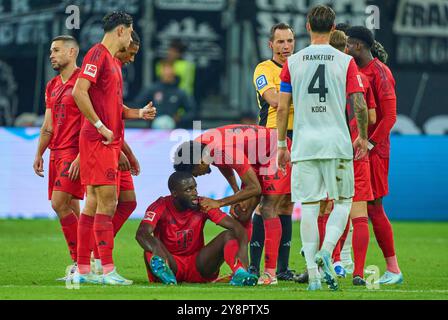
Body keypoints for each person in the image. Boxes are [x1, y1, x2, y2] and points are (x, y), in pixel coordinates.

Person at [277, 5, 368, 291]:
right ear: (333, 29)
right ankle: (327, 252)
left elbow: (281, 108)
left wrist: (282, 144)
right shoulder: (345, 61)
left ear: (307, 27)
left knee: (309, 207)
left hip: (304, 145)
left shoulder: (293, 62)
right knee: (342, 202)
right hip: (337, 143)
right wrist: (363, 137)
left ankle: (313, 278)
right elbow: (359, 103)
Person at [72, 11, 153, 286]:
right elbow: (78, 92)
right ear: (121, 30)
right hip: (99, 140)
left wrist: (138, 114)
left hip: (107, 140)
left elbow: (113, 108)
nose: (131, 38)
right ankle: (106, 270)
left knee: (95, 203)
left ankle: (83, 269)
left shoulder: (113, 63)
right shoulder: (96, 54)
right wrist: (99, 126)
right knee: (107, 202)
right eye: (130, 32)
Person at [173, 124, 292, 285]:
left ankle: (270, 274)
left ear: (200, 161)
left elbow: (255, 188)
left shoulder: (222, 150)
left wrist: (219, 202)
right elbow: (224, 165)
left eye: (196, 173)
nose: (198, 176)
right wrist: (237, 193)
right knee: (241, 213)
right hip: (257, 156)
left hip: (274, 151)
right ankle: (242, 271)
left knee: (268, 208)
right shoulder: (201, 146)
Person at [346, 26, 403, 285]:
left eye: (348, 45)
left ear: (358, 46)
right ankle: (340, 263)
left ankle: (393, 269)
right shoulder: (354, 70)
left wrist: (369, 144)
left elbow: (390, 116)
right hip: (355, 148)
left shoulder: (380, 73)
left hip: (374, 152)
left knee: (373, 207)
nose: (345, 49)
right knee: (351, 205)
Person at [135, 172, 258, 286]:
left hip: (199, 267)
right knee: (150, 247)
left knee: (228, 235)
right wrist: (157, 250)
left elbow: (237, 228)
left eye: (194, 187)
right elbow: (142, 233)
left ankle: (240, 273)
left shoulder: (203, 204)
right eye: (188, 190)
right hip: (171, 264)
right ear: (174, 193)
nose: (194, 193)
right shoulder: (160, 205)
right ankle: (166, 275)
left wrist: (242, 251)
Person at [33, 35, 84, 279]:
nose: (51, 55)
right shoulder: (52, 85)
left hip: (74, 152)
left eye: (56, 50)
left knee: (58, 204)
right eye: (51, 51)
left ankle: (82, 261)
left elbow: (93, 121)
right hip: (56, 153)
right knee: (72, 208)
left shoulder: (84, 82)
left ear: (72, 52)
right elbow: (48, 125)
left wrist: (82, 155)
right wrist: (39, 152)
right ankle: (85, 263)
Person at [329, 29, 377, 285]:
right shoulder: (360, 78)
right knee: (359, 215)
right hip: (357, 151)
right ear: (346, 50)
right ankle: (358, 272)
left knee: (328, 209)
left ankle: (333, 262)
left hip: (331, 150)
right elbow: (371, 117)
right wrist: (362, 136)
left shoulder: (324, 77)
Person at [251, 23, 297, 282]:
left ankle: (283, 268)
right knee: (267, 202)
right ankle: (256, 267)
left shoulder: (299, 67)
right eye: (280, 42)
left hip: (297, 138)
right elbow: (274, 100)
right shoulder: (264, 69)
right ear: (271, 45)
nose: (286, 46)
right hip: (270, 138)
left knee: (288, 203)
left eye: (289, 41)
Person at [132, 61, 194, 129]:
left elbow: (192, 110)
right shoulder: (152, 89)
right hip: (153, 129)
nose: (167, 74)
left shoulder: (180, 92)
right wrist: (147, 114)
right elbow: (137, 104)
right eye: (165, 72)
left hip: (173, 129)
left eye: (169, 73)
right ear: (161, 73)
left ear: (173, 73)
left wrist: (179, 118)